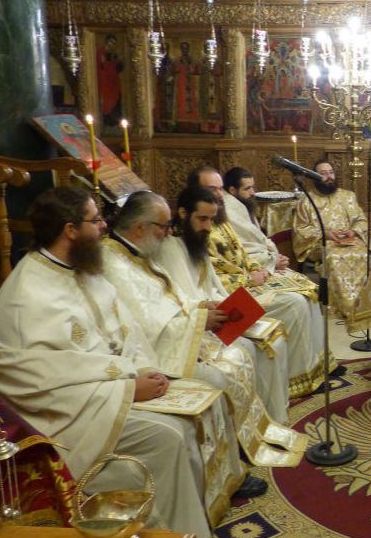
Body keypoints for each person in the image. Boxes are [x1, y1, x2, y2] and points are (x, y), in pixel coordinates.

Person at [0, 187, 241, 538]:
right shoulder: (29, 294)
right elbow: (41, 379)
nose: (104, 226)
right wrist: (128, 389)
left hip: (110, 387)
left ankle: (194, 521)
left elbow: (126, 330)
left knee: (198, 408)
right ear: (70, 230)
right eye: (96, 220)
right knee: (168, 435)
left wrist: (146, 369)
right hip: (70, 412)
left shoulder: (84, 269)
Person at [102, 192, 304, 467]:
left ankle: (245, 439)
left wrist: (200, 306)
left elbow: (169, 297)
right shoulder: (114, 263)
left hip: (178, 335)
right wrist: (199, 320)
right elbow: (145, 324)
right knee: (219, 374)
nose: (168, 232)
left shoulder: (138, 251)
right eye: (163, 226)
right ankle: (228, 463)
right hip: (155, 353)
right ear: (140, 228)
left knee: (240, 354)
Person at [189, 166, 327, 397]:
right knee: (295, 303)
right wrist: (248, 278)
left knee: (309, 292)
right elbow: (207, 277)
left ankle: (318, 366)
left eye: (220, 189)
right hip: (228, 294)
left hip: (248, 281)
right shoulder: (195, 230)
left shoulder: (219, 219)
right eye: (212, 189)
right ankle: (297, 378)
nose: (219, 195)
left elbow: (242, 252)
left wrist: (257, 268)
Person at [291, 160, 368, 320]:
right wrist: (325, 234)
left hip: (349, 239)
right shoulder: (306, 201)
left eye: (331, 172)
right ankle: (340, 307)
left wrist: (353, 231)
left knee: (363, 253)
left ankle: (360, 304)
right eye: (323, 173)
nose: (329, 177)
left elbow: (361, 220)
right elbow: (301, 230)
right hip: (321, 243)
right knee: (334, 256)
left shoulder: (348, 196)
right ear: (314, 177)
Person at [222, 167, 290, 273]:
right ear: (232, 190)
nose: (253, 192)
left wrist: (275, 258)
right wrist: (271, 261)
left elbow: (258, 240)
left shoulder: (242, 204)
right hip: (245, 271)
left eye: (252, 187)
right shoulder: (228, 213)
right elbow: (238, 252)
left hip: (262, 261)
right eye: (247, 188)